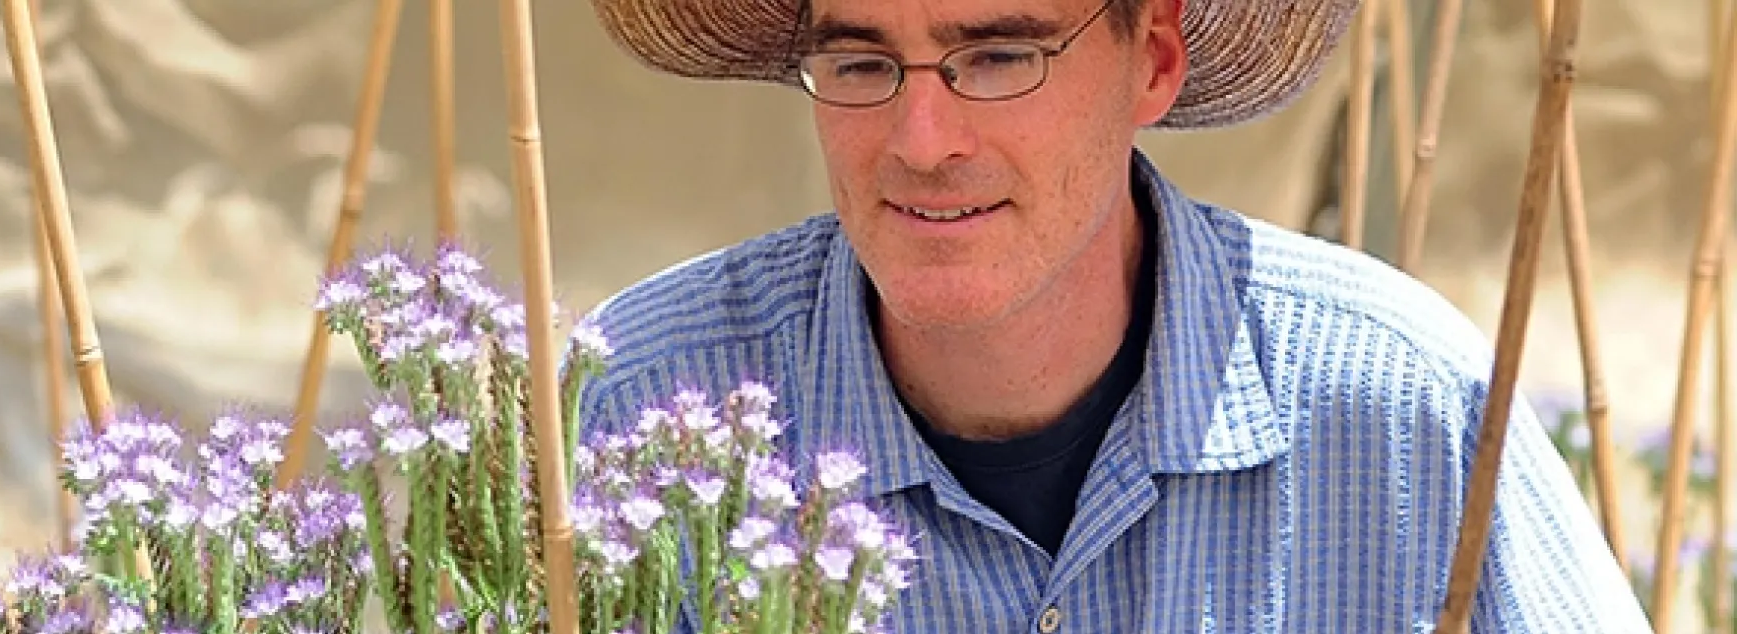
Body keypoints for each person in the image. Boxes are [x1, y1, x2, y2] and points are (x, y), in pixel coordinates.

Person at [572, 0, 1651, 631]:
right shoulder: (644, 410)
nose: (922, 136)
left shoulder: (1409, 414)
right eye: (860, 61)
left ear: (1155, 62)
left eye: (999, 53)